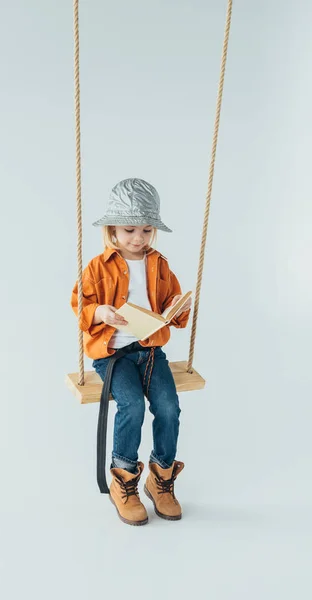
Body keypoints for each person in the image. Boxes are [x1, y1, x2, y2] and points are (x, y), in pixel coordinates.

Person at [71, 178, 191, 526]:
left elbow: (172, 301)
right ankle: (123, 479)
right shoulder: (98, 266)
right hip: (113, 355)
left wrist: (178, 309)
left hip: (150, 349)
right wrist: (101, 313)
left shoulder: (159, 265)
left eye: (146, 229)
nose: (138, 238)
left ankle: (161, 478)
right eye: (129, 229)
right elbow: (79, 304)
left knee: (169, 407)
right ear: (112, 230)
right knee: (132, 404)